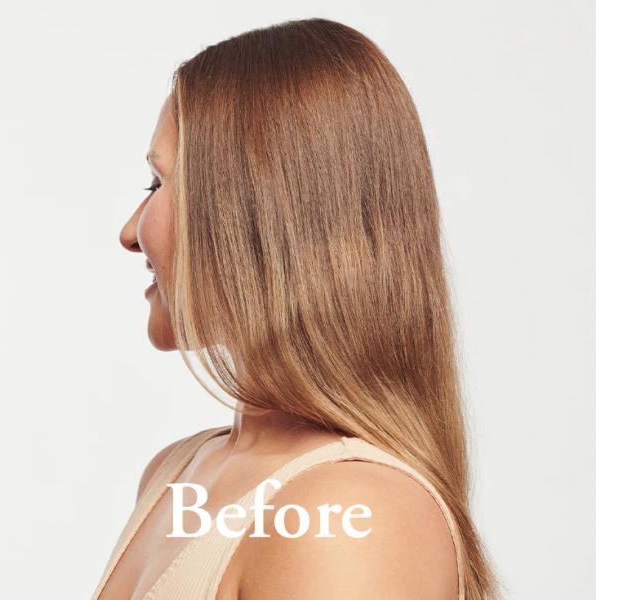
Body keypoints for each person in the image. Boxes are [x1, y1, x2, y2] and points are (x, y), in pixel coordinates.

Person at [93, 17, 498, 600]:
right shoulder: (176, 474)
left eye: (157, 184)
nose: (130, 233)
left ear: (255, 209)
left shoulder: (354, 514)